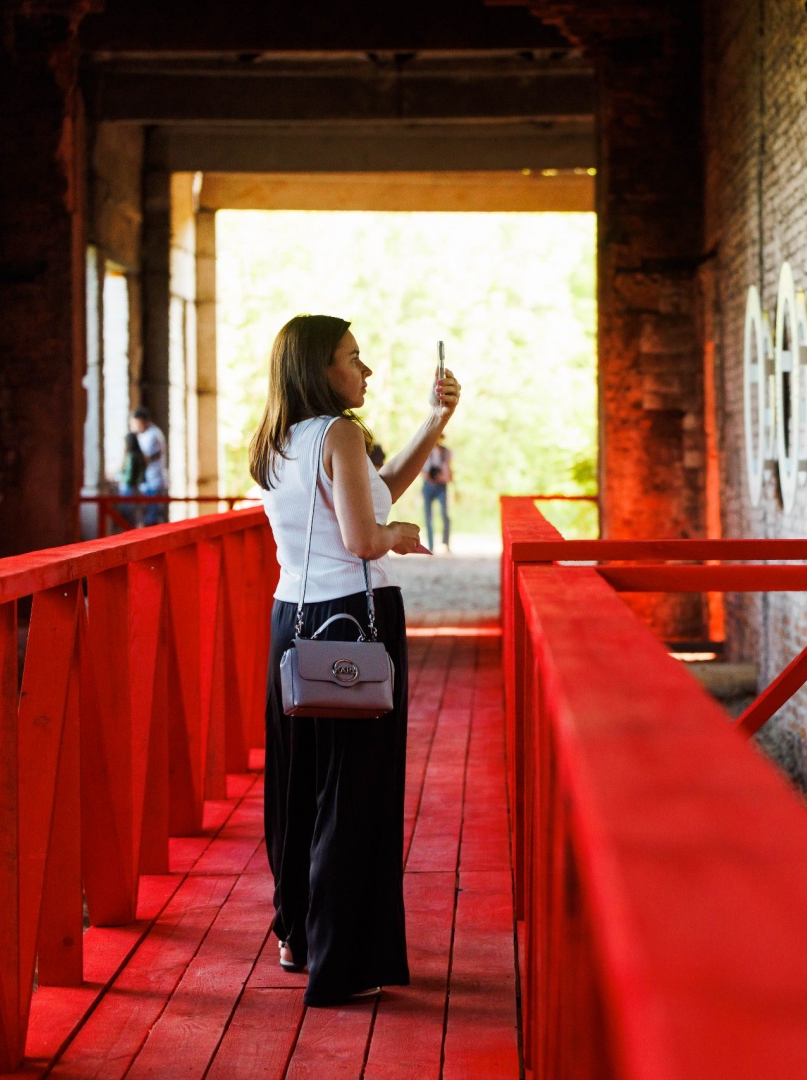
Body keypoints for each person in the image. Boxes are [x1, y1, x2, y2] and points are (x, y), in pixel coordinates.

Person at [249, 313, 460, 1007]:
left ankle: (298, 937)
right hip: (353, 623)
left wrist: (433, 421)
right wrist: (398, 534)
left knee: (298, 783)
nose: (365, 370)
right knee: (353, 790)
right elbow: (365, 534)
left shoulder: (280, 440)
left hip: (294, 618)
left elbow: (373, 488)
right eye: (353, 357)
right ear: (318, 369)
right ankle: (341, 962)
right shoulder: (337, 433)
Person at [131, 407, 169, 525]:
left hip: (155, 481)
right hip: (149, 481)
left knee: (152, 519)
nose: (137, 427)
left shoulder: (153, 435)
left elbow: (144, 458)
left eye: (138, 423)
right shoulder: (147, 434)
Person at [421, 433, 452, 553]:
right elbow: (420, 470)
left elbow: (449, 468)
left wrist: (444, 477)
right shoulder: (425, 452)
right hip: (428, 485)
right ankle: (431, 545)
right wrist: (428, 476)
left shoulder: (445, 452)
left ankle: (446, 543)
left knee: (444, 515)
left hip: (441, 485)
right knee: (428, 517)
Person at [115, 430, 147, 529]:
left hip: (128, 490)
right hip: (136, 489)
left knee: (128, 520)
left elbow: (129, 477)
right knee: (135, 519)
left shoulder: (131, 457)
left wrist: (118, 474)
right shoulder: (139, 455)